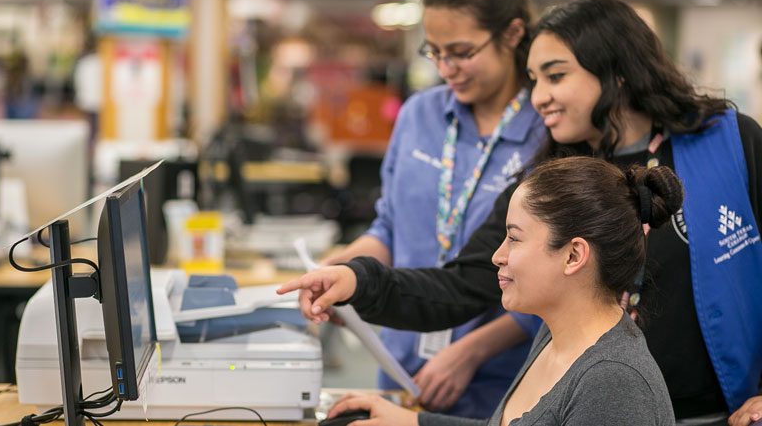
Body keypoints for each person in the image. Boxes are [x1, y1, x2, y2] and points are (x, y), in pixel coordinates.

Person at [279, 0, 762, 426]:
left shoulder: (729, 142)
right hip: (588, 404)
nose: (538, 97)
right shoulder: (558, 175)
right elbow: (462, 283)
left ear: (617, 70)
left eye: (556, 76)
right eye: (534, 79)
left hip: (719, 410)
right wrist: (360, 280)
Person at [285, 157, 680, 425]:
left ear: (574, 254)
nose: (497, 256)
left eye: (514, 239)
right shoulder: (556, 336)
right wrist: (413, 421)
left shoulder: (614, 382)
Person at [317, 0, 545, 418]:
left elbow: (560, 275)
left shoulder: (547, 129)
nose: (446, 68)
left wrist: (471, 352)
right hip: (402, 360)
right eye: (434, 51)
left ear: (513, 34)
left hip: (501, 374)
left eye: (461, 52)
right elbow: (389, 227)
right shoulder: (418, 115)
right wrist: (346, 271)